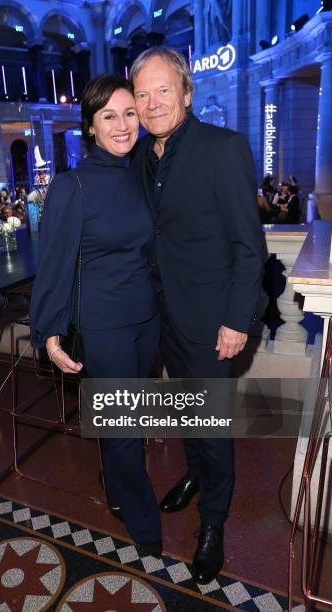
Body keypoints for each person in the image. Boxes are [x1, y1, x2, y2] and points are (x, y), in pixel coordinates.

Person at [130, 47, 264, 583]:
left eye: (163, 89)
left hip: (213, 323)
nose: (152, 102)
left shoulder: (224, 148)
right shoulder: (140, 157)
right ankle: (192, 474)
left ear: (186, 92)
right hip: (163, 317)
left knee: (212, 426)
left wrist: (237, 320)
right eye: (142, 93)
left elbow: (249, 246)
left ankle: (214, 522)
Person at [30, 74, 162, 556]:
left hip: (146, 321)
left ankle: (116, 480)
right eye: (109, 116)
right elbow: (56, 264)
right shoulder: (72, 186)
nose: (123, 124)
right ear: (89, 126)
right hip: (103, 325)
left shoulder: (142, 173)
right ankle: (144, 519)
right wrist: (50, 333)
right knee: (125, 426)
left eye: (130, 113)